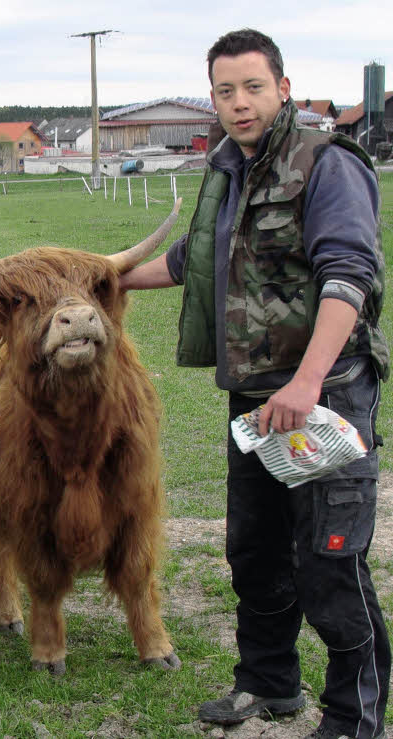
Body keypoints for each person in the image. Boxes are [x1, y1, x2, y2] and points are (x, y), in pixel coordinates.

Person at [120, 29, 389, 739]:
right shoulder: (229, 171)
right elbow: (192, 259)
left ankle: (355, 714)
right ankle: (269, 684)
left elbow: (347, 277)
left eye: (253, 87)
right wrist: (93, 275)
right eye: (225, 90)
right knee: (256, 551)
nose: (239, 103)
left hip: (323, 397)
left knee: (331, 559)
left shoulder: (325, 165)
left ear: (284, 89)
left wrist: (306, 382)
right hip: (256, 401)